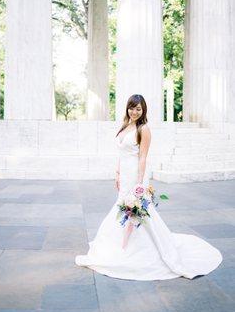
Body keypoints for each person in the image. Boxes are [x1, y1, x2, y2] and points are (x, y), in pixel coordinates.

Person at [75, 94, 223, 280]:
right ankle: (120, 244)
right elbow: (121, 154)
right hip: (125, 173)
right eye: (132, 107)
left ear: (143, 110)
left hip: (137, 175)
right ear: (127, 108)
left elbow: (143, 156)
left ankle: (134, 247)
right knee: (123, 208)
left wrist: (139, 183)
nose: (135, 111)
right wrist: (118, 173)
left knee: (136, 210)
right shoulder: (125, 126)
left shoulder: (143, 129)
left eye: (138, 109)